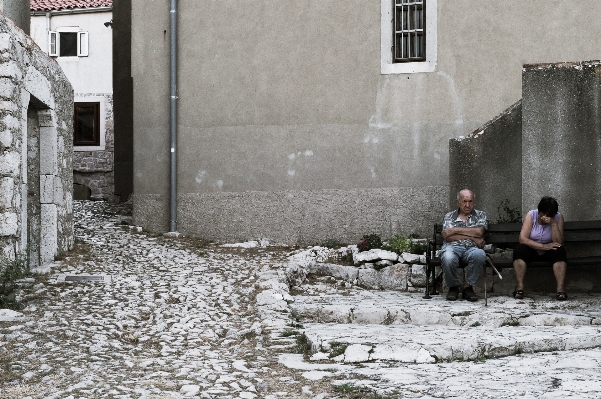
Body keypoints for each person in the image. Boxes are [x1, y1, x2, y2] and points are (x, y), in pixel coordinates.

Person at [512, 196, 567, 300]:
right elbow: (522, 239)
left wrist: (553, 224)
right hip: (532, 249)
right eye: (542, 214)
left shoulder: (558, 217)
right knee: (519, 250)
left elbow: (559, 242)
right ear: (539, 211)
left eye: (548, 216)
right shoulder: (531, 215)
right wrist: (543, 246)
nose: (543, 218)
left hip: (550, 251)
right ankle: (519, 287)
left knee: (560, 251)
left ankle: (560, 289)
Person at [440, 189, 488, 301]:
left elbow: (480, 232)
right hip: (452, 246)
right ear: (457, 202)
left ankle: (468, 288)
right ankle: (454, 287)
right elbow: (448, 237)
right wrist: (473, 237)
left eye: (470, 201)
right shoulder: (449, 216)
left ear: (474, 202)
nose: (467, 205)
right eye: (464, 201)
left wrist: (455, 230)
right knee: (447, 257)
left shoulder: (480, 215)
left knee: (480, 254)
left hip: (472, 248)